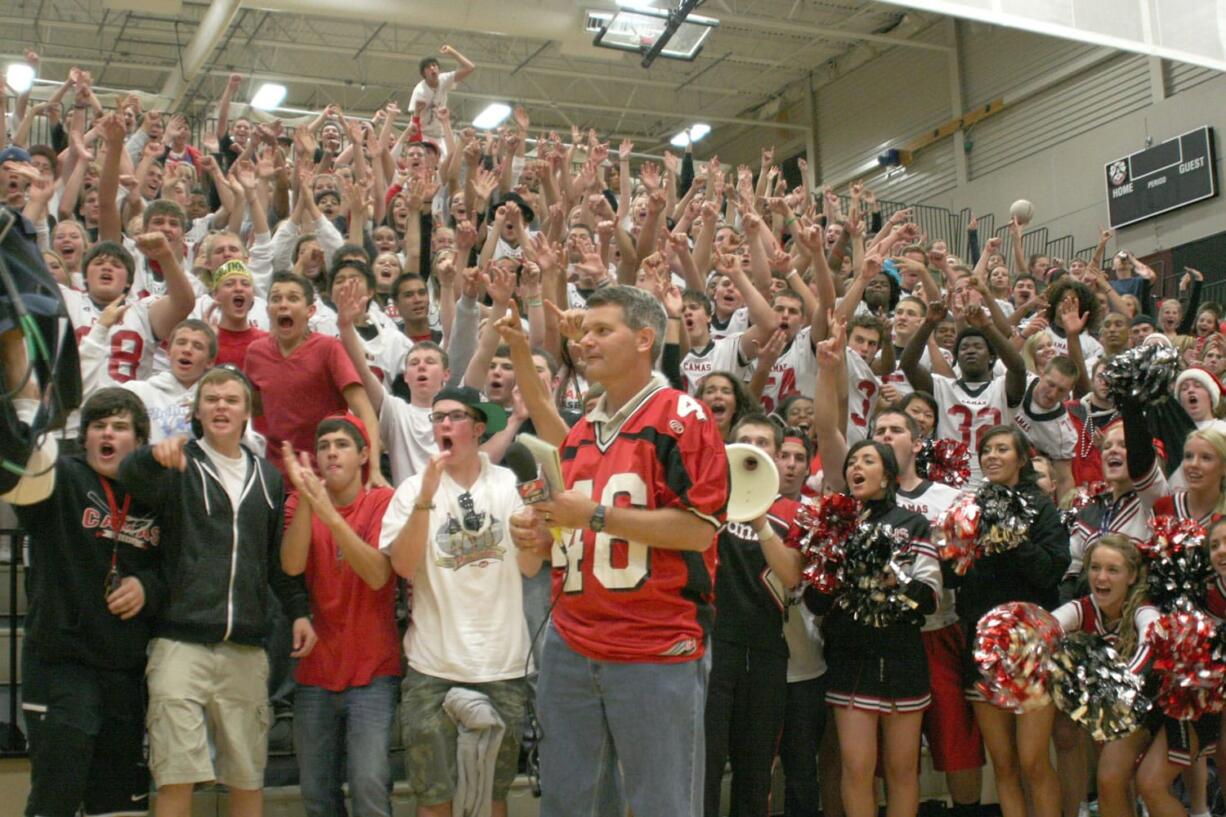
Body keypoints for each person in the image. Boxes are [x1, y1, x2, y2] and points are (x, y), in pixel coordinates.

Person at [509, 285, 729, 817]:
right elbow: (578, 532)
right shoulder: (583, 429)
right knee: (568, 804)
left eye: (602, 331)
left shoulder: (683, 415)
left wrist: (594, 517)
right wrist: (545, 536)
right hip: (571, 642)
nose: (586, 342)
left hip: (654, 647)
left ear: (645, 340)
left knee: (663, 804)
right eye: (585, 332)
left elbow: (700, 531)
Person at [118, 366, 315, 817]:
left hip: (245, 648)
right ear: (197, 411)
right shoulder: (176, 462)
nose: (221, 406)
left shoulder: (268, 478)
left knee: (247, 781)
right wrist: (152, 457)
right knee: (175, 778)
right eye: (212, 399)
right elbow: (129, 475)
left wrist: (299, 611)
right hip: (178, 645)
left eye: (231, 399)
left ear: (247, 412)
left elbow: (274, 563)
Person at [379, 386, 542, 817]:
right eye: (437, 418)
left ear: (478, 426)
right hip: (432, 668)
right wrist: (426, 498)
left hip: (502, 666)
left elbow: (529, 566)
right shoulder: (413, 489)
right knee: (434, 801)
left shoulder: (510, 484)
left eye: (454, 416)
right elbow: (402, 565)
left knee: (492, 800)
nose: (443, 425)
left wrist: (535, 534)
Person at [13, 389, 164, 817]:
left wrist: (147, 588)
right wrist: (28, 403)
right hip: (62, 665)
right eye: (99, 426)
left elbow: (178, 573)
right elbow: (20, 468)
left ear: (139, 440)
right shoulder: (59, 479)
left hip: (125, 673)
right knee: (55, 799)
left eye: (119, 427)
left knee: (118, 805)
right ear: (85, 437)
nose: (107, 434)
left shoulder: (157, 495)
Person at [280, 415, 399, 817]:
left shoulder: (383, 500)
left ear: (364, 454)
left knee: (369, 785)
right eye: (325, 445)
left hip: (373, 669)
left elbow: (379, 574)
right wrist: (306, 498)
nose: (331, 452)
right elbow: (292, 565)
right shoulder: (300, 502)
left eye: (342, 444)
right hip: (316, 671)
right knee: (316, 793)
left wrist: (330, 515)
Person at [952, 425, 1070, 817]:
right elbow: (954, 575)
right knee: (1002, 762)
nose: (992, 456)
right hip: (981, 643)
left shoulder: (1043, 507)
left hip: (1031, 644)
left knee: (1033, 761)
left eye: (1002, 449)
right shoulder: (971, 507)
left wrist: (1015, 538)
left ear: (1021, 459)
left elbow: (1051, 573)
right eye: (986, 450)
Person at [703, 414, 804, 817]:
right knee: (705, 768)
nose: (754, 448)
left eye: (763, 443)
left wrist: (758, 512)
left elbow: (792, 575)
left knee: (756, 772)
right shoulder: (707, 501)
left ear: (778, 456)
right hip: (712, 646)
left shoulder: (793, 513)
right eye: (745, 441)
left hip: (766, 651)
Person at [1051, 535, 1158, 817]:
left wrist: (1118, 683)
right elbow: (1047, 627)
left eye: (1113, 570)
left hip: (1155, 710)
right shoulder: (1083, 608)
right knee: (1108, 776)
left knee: (1112, 775)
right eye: (1095, 568)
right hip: (1114, 712)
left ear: (1132, 575)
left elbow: (1151, 643)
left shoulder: (1144, 610)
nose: (1101, 577)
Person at [243, 270, 384, 480]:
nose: (283, 304)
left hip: (328, 477)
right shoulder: (256, 352)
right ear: (267, 310)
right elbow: (253, 408)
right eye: (276, 298)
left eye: (292, 298)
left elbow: (364, 410)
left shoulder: (329, 348)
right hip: (277, 477)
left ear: (310, 310)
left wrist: (374, 470)